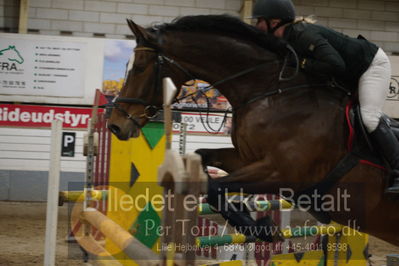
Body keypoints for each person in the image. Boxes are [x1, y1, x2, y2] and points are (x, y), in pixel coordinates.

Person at [252, 0, 399, 193]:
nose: (256, 26)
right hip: (349, 72)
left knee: (369, 118)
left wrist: (302, 63)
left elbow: (335, 65)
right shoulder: (286, 40)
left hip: (371, 65)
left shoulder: (304, 35)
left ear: (274, 22)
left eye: (259, 21)